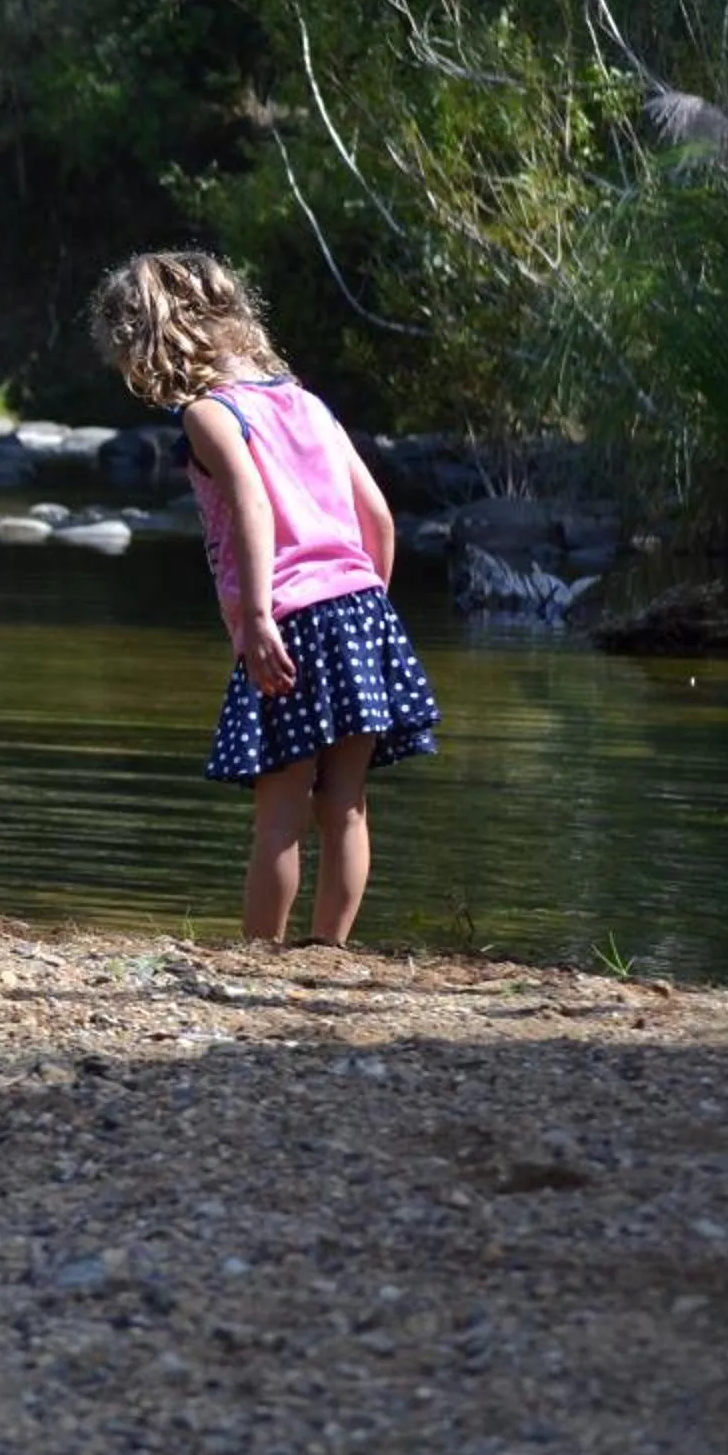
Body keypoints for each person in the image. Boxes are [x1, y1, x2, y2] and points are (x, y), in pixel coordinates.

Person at [88, 250, 442, 947]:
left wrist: (257, 616)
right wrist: (369, 614)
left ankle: (259, 954)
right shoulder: (306, 403)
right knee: (345, 804)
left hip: (290, 617)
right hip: (362, 609)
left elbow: (251, 504)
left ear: (154, 343)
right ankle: (331, 953)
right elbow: (379, 521)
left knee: (279, 814)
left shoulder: (209, 415)